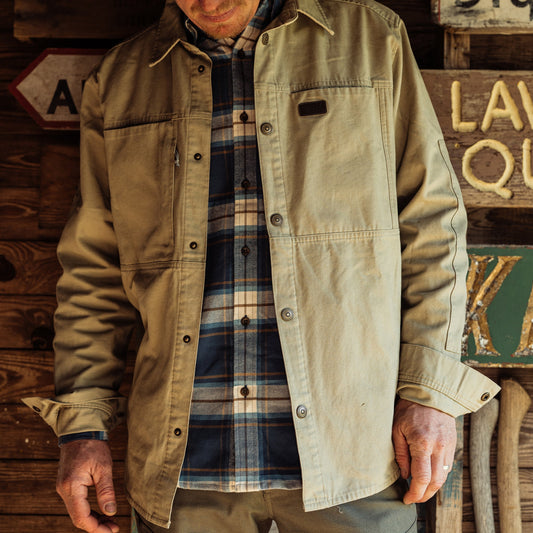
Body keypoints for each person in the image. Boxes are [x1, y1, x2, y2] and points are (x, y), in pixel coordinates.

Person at [23, 0, 500, 531]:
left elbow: (432, 225)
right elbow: (94, 270)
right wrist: (82, 427)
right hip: (184, 468)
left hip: (353, 451)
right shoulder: (120, 80)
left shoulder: (371, 40)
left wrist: (428, 395)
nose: (208, 3)